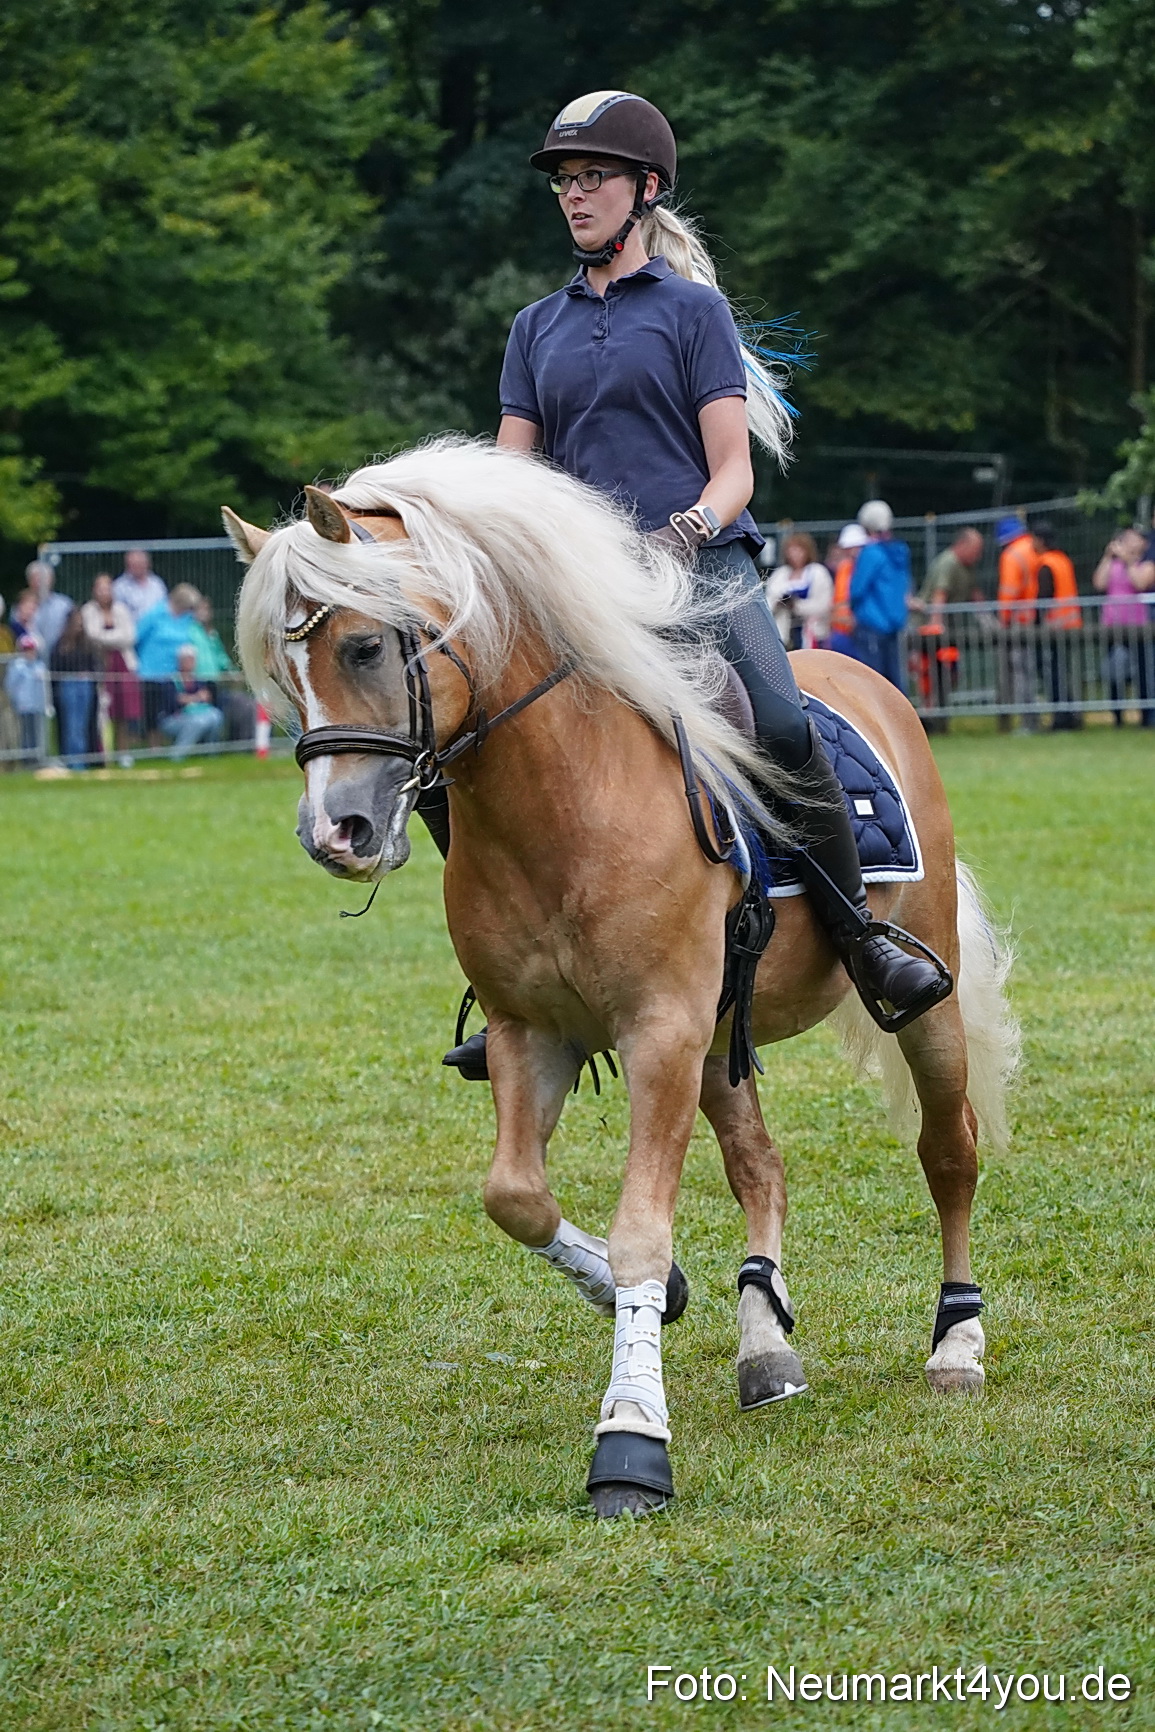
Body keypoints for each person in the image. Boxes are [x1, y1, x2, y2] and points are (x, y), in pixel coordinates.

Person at [439, 88, 951, 1079]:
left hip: (698, 568)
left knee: (785, 722)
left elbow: (734, 471)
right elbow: (508, 480)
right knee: (462, 737)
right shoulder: (533, 328)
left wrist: (685, 532)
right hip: (581, 594)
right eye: (565, 180)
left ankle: (861, 936)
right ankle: (508, 978)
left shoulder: (693, 312)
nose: (574, 195)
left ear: (644, 189)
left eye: (593, 178)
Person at [913, 527, 984, 729]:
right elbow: (939, 595)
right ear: (962, 545)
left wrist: (987, 620)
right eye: (975, 550)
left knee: (950, 672)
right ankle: (928, 718)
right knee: (930, 674)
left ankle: (938, 715)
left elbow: (975, 594)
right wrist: (937, 625)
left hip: (948, 631)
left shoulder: (967, 566)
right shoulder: (949, 562)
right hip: (929, 630)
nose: (978, 556)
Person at [1093, 525, 1155, 726]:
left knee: (1145, 672)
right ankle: (1117, 715)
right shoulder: (1113, 565)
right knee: (1114, 672)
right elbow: (1099, 583)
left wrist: (1128, 562)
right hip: (1113, 626)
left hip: (1138, 627)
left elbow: (1140, 583)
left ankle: (1147, 715)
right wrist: (1107, 557)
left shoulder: (1146, 564)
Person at [848, 500, 911, 689]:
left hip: (871, 624)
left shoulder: (870, 553)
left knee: (873, 681)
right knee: (895, 679)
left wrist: (853, 608)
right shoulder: (900, 551)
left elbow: (857, 589)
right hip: (895, 623)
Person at [1031, 521, 1083, 730]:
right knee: (1064, 673)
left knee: (1053, 675)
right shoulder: (1063, 560)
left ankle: (1061, 718)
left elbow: (1043, 598)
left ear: (1041, 540)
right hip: (1070, 624)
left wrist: (1036, 625)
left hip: (1054, 628)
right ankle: (1070, 715)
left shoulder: (1046, 564)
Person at [82, 573, 140, 753]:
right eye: (100, 588)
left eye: (108, 588)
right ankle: (104, 752)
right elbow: (92, 635)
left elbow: (130, 636)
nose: (104, 592)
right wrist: (115, 637)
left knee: (123, 712)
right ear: (94, 591)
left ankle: (124, 751)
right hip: (101, 664)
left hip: (122, 664)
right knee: (103, 710)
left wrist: (106, 638)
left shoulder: (121, 610)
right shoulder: (88, 610)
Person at [135, 583, 202, 738]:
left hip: (174, 675)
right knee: (152, 712)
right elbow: (137, 636)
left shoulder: (187, 619)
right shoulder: (156, 614)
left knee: (171, 710)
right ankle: (152, 747)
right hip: (151, 672)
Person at [995, 514, 1039, 732]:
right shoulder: (1035, 548)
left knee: (1022, 674)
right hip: (1038, 619)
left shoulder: (1012, 555)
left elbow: (1008, 593)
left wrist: (1003, 621)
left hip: (1019, 623)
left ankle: (1027, 722)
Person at [764, 531, 833, 649]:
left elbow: (824, 605)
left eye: (799, 550)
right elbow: (768, 601)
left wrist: (796, 606)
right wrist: (780, 603)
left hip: (812, 633)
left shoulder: (818, 572)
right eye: (791, 550)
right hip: (783, 632)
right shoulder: (780, 574)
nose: (795, 554)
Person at [49, 608, 99, 769]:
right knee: (71, 725)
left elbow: (94, 664)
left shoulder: (87, 644)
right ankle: (72, 760)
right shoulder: (61, 644)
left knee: (82, 725)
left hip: (85, 685)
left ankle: (81, 760)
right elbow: (56, 667)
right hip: (67, 685)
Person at [160, 646, 224, 759]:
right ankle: (177, 755)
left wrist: (190, 698)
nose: (190, 662)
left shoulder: (198, 679)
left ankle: (211, 752)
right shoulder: (171, 680)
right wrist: (196, 697)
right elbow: (176, 700)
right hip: (173, 718)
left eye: (192, 659)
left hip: (198, 714)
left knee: (216, 716)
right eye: (187, 659)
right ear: (180, 661)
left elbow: (206, 696)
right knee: (196, 722)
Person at [5, 634, 50, 766]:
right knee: (25, 733)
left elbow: (45, 687)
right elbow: (11, 686)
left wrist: (46, 704)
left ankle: (38, 758)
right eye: (26, 649)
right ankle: (27, 759)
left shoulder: (39, 666)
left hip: (37, 705)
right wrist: (16, 701)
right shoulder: (18, 667)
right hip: (23, 705)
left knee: (38, 732)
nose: (29, 653)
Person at [828, 523, 867, 658]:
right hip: (840, 630)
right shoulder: (844, 568)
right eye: (847, 548)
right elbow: (839, 596)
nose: (851, 552)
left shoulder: (866, 569)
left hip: (860, 629)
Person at [26, 560, 74, 657]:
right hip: (32, 661)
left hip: (62, 659)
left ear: (52, 579)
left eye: (43, 577)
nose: (40, 582)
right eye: (36, 578)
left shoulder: (65, 604)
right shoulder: (20, 608)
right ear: (29, 581)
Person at [112, 549, 167, 625]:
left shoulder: (157, 584)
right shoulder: (119, 587)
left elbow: (165, 609)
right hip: (131, 632)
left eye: (140, 564)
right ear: (127, 565)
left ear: (147, 564)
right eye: (133, 565)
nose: (137, 567)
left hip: (156, 631)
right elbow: (116, 614)